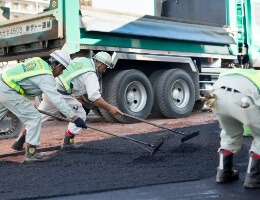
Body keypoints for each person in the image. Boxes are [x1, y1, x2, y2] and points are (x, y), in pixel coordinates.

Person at [11, 51, 122, 149]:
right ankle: (68, 141)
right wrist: (110, 108)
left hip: (51, 90)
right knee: (80, 114)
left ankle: (19, 141)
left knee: (39, 119)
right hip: (62, 95)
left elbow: (72, 77)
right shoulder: (91, 74)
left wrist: (77, 95)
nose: (104, 70)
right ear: (98, 63)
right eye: (105, 67)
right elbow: (95, 98)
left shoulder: (83, 61)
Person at [1, 50, 87, 162]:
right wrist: (75, 118)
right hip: (9, 91)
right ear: (54, 64)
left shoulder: (38, 61)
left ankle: (19, 144)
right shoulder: (46, 76)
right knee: (34, 118)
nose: (61, 73)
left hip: (3, 86)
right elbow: (57, 100)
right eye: (61, 69)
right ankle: (31, 154)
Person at [204, 68, 260, 188]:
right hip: (244, 97)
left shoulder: (247, 73)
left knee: (229, 133)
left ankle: (224, 172)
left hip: (216, 96)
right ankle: (253, 177)